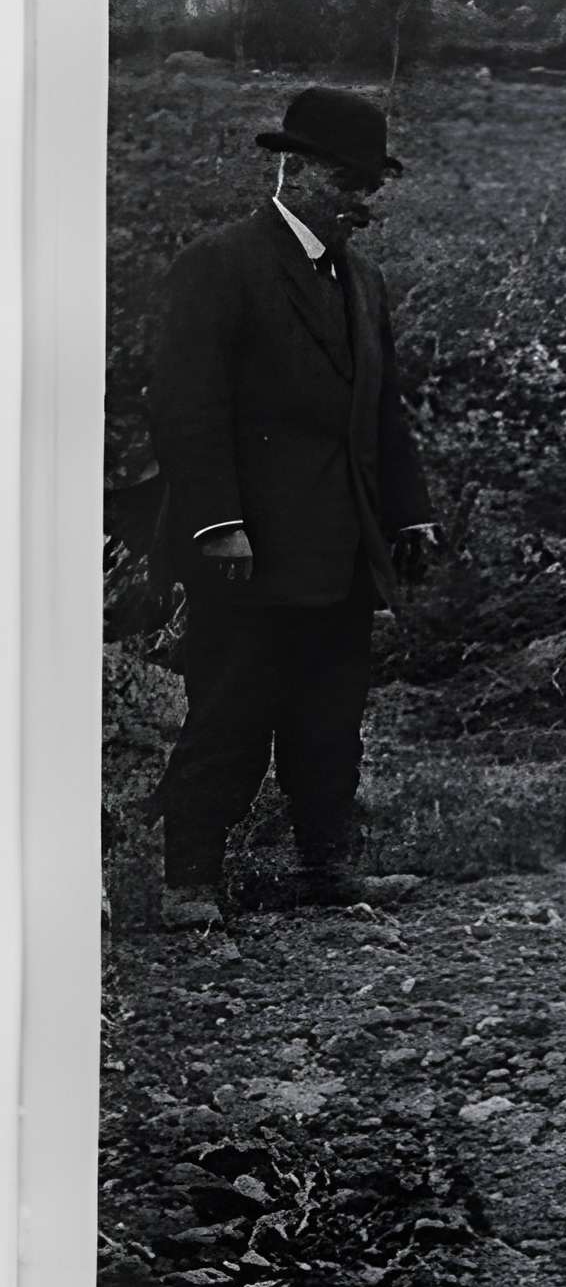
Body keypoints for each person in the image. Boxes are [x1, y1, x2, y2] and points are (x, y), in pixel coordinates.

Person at [145, 84, 441, 930]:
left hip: (342, 543)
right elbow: (184, 407)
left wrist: (409, 513)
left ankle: (325, 868)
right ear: (297, 169)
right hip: (250, 544)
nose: (362, 204)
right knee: (232, 703)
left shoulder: (364, 282)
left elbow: (380, 412)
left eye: (370, 188)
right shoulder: (222, 264)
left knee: (330, 713)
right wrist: (217, 524)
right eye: (349, 184)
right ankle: (190, 879)